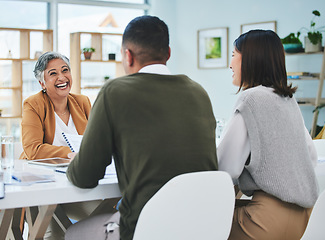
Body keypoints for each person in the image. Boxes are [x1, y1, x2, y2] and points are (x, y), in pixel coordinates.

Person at [65, 15, 218, 240]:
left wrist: (75, 162)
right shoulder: (198, 92)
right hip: (201, 226)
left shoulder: (115, 91)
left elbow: (84, 176)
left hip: (145, 227)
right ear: (168, 53)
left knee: (71, 233)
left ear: (128, 56)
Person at [0, 52, 117, 239]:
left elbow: (97, 140)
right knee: (53, 234)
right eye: (53, 73)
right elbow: (33, 149)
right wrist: (71, 153)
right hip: (42, 188)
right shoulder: (33, 104)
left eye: (65, 70)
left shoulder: (82, 102)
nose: (61, 77)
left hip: (77, 183)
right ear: (42, 83)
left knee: (110, 221)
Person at [217, 30, 319, 240]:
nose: (230, 64)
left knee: (202, 222)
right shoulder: (287, 100)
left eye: (234, 55)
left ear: (250, 60)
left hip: (266, 221)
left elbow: (225, 168)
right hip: (303, 220)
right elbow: (311, 156)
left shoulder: (251, 99)